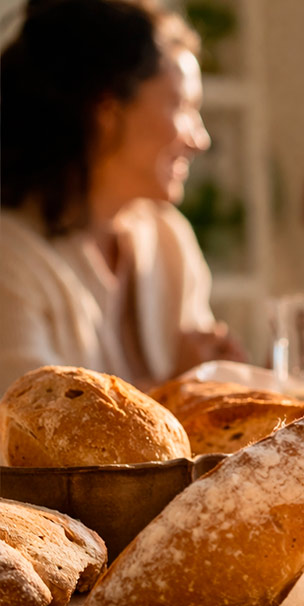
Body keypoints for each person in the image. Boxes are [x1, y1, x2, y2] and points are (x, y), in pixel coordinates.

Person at [0, 0, 243, 393]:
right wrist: (178, 390)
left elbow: (206, 397)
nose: (200, 140)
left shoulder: (167, 238)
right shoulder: (9, 257)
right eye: (182, 107)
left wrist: (279, 389)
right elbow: (26, 419)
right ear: (106, 111)